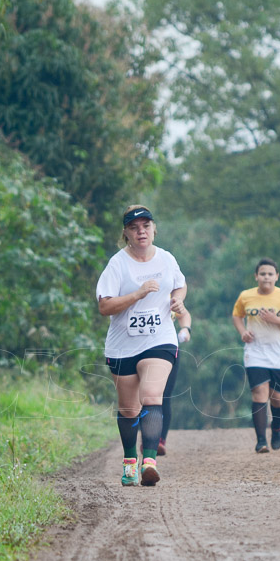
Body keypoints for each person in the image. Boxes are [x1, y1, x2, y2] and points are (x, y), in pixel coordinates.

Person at [97, 205, 187, 486]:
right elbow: (105, 306)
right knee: (128, 410)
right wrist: (136, 294)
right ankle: (129, 461)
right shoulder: (118, 264)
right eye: (134, 228)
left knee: (151, 396)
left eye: (146, 226)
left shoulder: (167, 259)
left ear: (153, 229)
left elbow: (180, 284)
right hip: (123, 345)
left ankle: (149, 463)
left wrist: (178, 299)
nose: (141, 232)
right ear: (126, 233)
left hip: (159, 338)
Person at [231, 258, 280, 453]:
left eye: (270, 274)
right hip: (255, 352)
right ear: (256, 276)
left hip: (278, 354)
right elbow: (237, 315)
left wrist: (275, 319)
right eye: (262, 273)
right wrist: (242, 332)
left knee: (278, 399)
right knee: (259, 394)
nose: (266, 277)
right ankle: (261, 440)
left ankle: (277, 429)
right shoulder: (246, 296)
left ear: (276, 277)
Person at [157, 302, 192, 456]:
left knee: (164, 394)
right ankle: (146, 435)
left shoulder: (169, 293)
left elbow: (183, 313)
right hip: (138, 347)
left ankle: (159, 440)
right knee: (141, 396)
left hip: (168, 348)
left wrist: (186, 328)